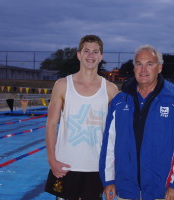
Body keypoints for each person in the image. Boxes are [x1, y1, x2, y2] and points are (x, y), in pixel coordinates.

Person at [99, 45, 174, 200]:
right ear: (134, 67)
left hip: (161, 191)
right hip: (125, 190)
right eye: (139, 64)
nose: (143, 69)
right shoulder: (120, 101)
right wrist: (109, 179)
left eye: (149, 64)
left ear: (159, 68)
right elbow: (109, 143)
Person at [45, 35, 119, 200]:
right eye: (86, 51)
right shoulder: (63, 85)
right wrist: (51, 159)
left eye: (95, 52)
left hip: (97, 167)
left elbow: (119, 130)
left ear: (101, 56)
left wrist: (114, 167)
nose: (90, 56)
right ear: (79, 55)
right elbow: (51, 124)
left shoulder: (111, 89)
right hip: (66, 165)